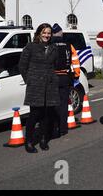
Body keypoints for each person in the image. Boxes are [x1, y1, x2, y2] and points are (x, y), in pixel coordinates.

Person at [19, 23, 60, 153]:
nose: (46, 35)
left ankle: (43, 139)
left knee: (47, 115)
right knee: (34, 114)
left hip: (50, 85)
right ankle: (29, 141)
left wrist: (54, 79)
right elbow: (22, 66)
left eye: (48, 33)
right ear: (38, 33)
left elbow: (55, 65)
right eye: (44, 32)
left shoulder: (54, 47)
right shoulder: (30, 47)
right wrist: (29, 80)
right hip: (35, 86)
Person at [51, 23, 81, 137]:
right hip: (65, 77)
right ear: (60, 32)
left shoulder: (49, 44)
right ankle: (63, 128)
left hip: (52, 77)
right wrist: (76, 75)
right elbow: (75, 61)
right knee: (63, 104)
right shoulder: (68, 45)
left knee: (53, 104)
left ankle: (54, 128)